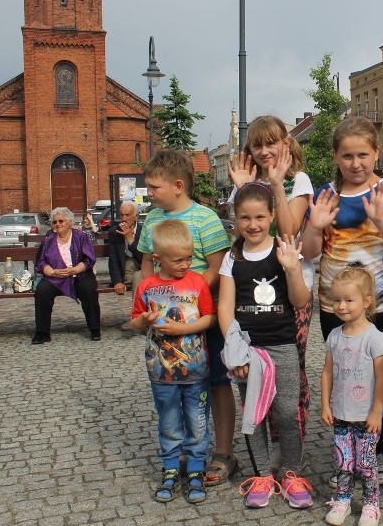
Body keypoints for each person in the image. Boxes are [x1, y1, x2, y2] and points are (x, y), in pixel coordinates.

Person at [302, 116, 383, 486]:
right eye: (347, 155)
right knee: (345, 377)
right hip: (336, 308)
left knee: (382, 378)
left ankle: (379, 455)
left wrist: (382, 220)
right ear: (335, 155)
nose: (356, 163)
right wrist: (315, 224)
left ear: (376, 153)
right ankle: (346, 456)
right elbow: (308, 251)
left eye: (363, 154)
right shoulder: (325, 195)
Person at [135, 150, 233, 486]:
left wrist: (189, 297)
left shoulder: (205, 218)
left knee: (217, 383)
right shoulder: (152, 220)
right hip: (165, 325)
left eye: (154, 187)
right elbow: (147, 267)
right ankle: (181, 452)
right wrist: (146, 304)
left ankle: (221, 453)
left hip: (207, 315)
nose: (149, 192)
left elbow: (219, 266)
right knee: (174, 383)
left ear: (178, 186)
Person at [218, 183, 315, 509]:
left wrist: (291, 270)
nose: (253, 224)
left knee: (287, 413)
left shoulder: (284, 250)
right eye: (245, 217)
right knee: (254, 416)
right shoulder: (233, 258)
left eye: (260, 216)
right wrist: (234, 353)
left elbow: (300, 300)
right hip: (250, 351)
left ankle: (291, 473)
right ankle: (262, 476)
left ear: (272, 215)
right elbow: (225, 308)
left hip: (284, 345)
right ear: (235, 219)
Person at [227, 115, 315, 454]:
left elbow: (289, 232)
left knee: (291, 369)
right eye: (257, 145)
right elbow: (242, 232)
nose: (265, 151)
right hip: (254, 286)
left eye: (271, 143)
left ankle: (291, 443)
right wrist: (239, 188)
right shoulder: (246, 183)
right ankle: (266, 443)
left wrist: (277, 184)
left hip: (292, 284)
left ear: (286, 144)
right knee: (257, 364)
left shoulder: (299, 181)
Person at [129, 219, 216, 504]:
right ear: (158, 258)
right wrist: (144, 320)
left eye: (189, 258)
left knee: (197, 420)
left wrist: (182, 329)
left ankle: (195, 468)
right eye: (178, 260)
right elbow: (135, 321)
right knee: (168, 420)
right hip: (160, 370)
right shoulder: (147, 285)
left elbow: (209, 317)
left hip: (195, 368)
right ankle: (169, 466)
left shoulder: (197, 282)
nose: (185, 264)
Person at [321, 267, 383, 526]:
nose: (341, 306)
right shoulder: (334, 336)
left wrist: (376, 411)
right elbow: (327, 372)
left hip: (367, 416)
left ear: (367, 301)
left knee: (367, 464)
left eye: (349, 300)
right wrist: (325, 404)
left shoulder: (375, 338)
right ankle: (343, 500)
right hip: (341, 414)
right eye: (336, 300)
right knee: (344, 462)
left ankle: (371, 504)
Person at [32, 207, 101, 344]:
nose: (57, 224)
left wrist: (75, 270)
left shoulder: (81, 237)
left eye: (61, 221)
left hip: (79, 274)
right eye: (55, 222)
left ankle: (94, 329)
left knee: (89, 289)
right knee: (42, 291)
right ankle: (42, 332)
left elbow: (89, 259)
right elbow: (41, 263)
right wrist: (52, 272)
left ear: (69, 222)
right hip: (56, 277)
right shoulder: (48, 241)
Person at [108, 201, 144, 296]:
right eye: (122, 215)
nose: (124, 219)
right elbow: (113, 258)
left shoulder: (144, 231)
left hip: (142, 266)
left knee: (132, 266)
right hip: (124, 267)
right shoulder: (114, 232)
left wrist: (130, 239)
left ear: (136, 216)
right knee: (129, 264)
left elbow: (142, 258)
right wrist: (117, 281)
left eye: (127, 215)